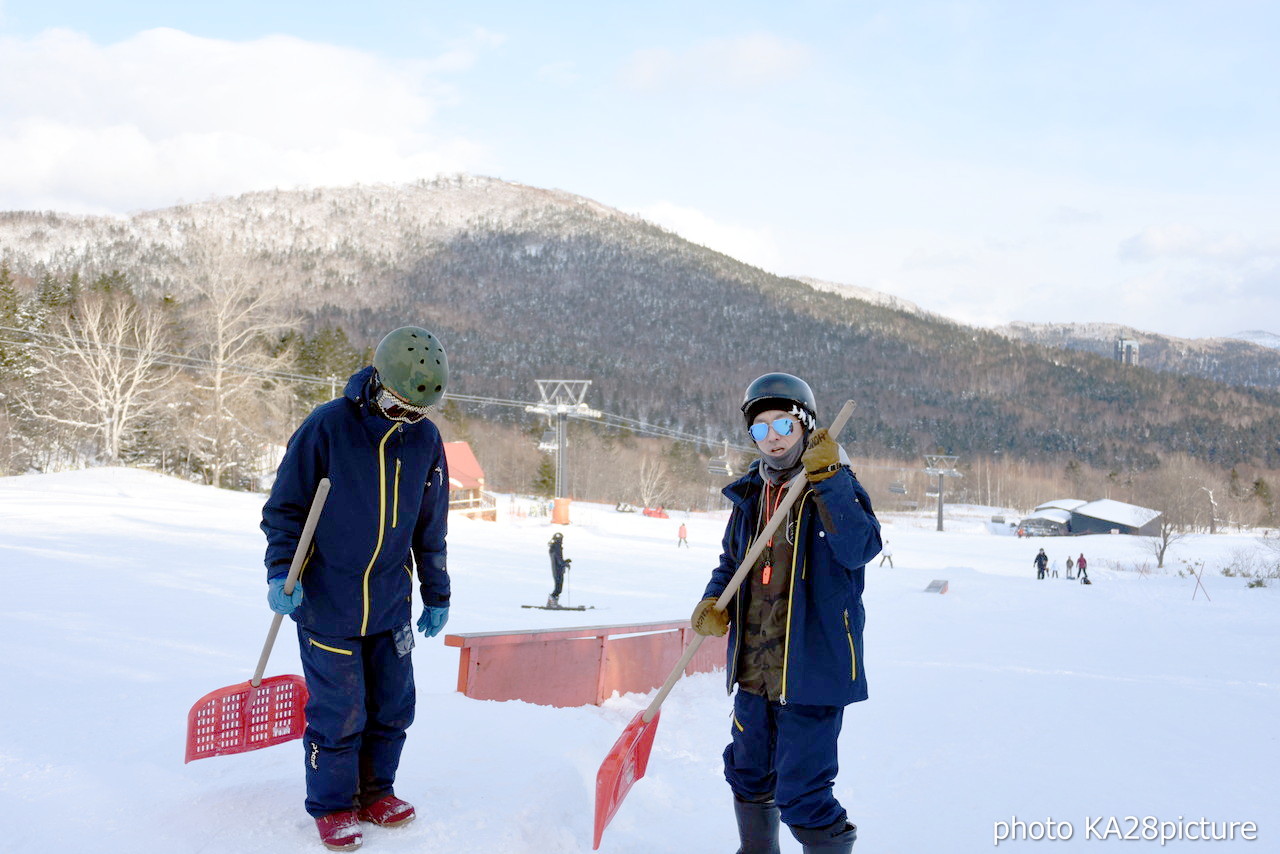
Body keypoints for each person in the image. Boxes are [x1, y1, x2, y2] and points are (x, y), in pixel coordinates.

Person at [260, 326, 451, 852]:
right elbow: (285, 510)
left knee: (393, 708)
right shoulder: (328, 427)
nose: (406, 419)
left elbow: (429, 527)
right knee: (340, 713)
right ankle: (333, 806)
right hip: (328, 604)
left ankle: (377, 792)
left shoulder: (426, 441)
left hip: (390, 604)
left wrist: (437, 593)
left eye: (416, 411)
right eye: (398, 406)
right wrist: (281, 571)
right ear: (378, 384)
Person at [690, 372, 881, 854]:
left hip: (811, 670)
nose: (772, 438)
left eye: (783, 425)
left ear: (806, 425)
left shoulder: (836, 486)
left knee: (802, 793)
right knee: (748, 773)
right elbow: (733, 563)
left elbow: (859, 548)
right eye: (760, 429)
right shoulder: (751, 495)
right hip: (754, 667)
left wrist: (830, 478)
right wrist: (716, 601)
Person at [547, 532, 569, 606]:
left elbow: (558, 558)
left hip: (557, 568)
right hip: (558, 569)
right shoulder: (556, 547)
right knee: (558, 587)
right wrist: (564, 563)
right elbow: (558, 559)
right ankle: (552, 600)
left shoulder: (554, 547)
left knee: (558, 586)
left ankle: (553, 601)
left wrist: (565, 562)